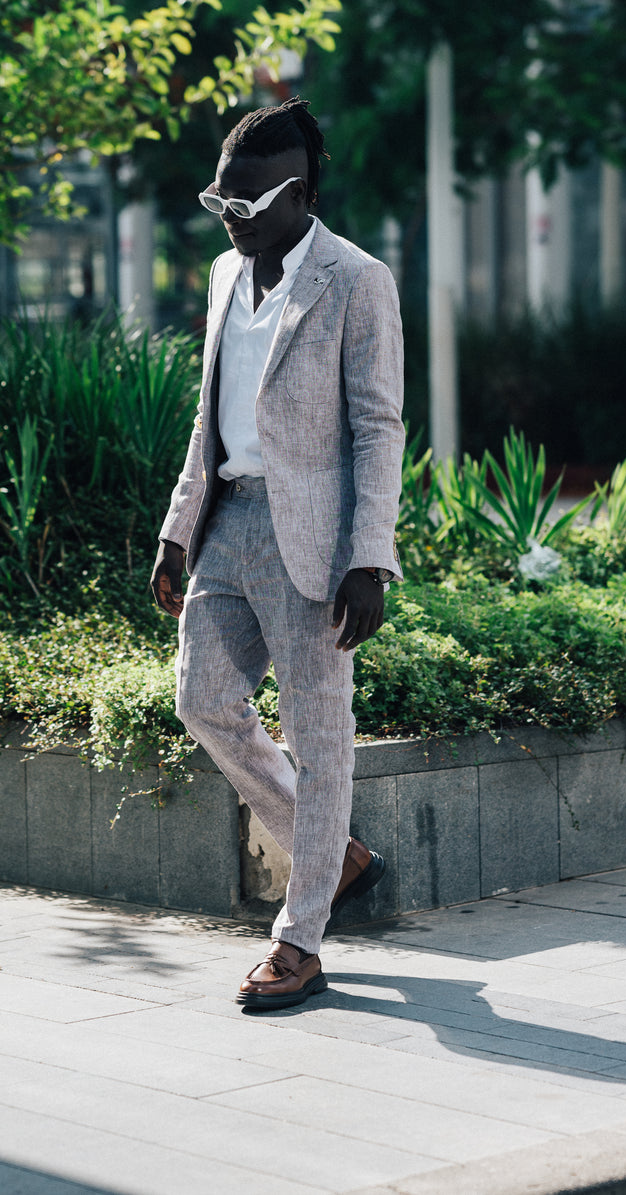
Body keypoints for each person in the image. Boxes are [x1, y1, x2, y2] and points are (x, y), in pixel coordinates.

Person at [151, 98, 405, 1011]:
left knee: (322, 736)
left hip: (318, 541)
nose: (232, 218)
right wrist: (179, 529)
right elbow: (208, 412)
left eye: (249, 203)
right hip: (230, 526)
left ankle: (298, 942)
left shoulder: (356, 280)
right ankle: (333, 852)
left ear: (297, 194)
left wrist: (368, 557)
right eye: (222, 201)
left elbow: (379, 428)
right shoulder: (225, 273)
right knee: (202, 699)